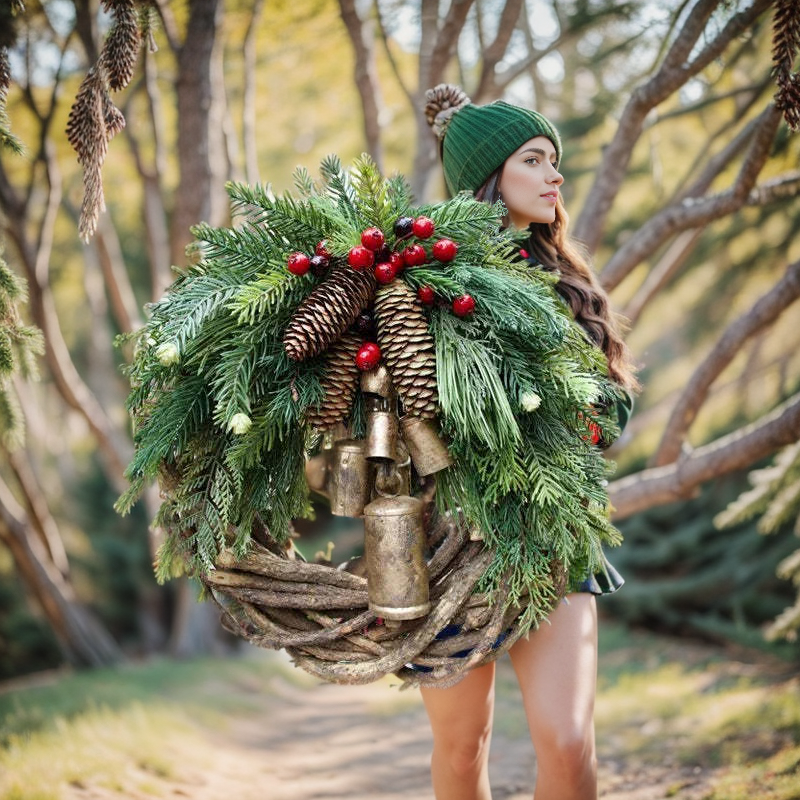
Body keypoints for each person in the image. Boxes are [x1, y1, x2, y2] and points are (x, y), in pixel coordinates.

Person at [420, 84, 640, 800]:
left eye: (556, 161)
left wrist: (568, 415)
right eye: (535, 159)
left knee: (569, 741)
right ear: (491, 176)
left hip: (554, 531)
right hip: (449, 539)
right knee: (461, 749)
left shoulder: (567, 280)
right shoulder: (431, 278)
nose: (555, 176)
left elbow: (612, 403)